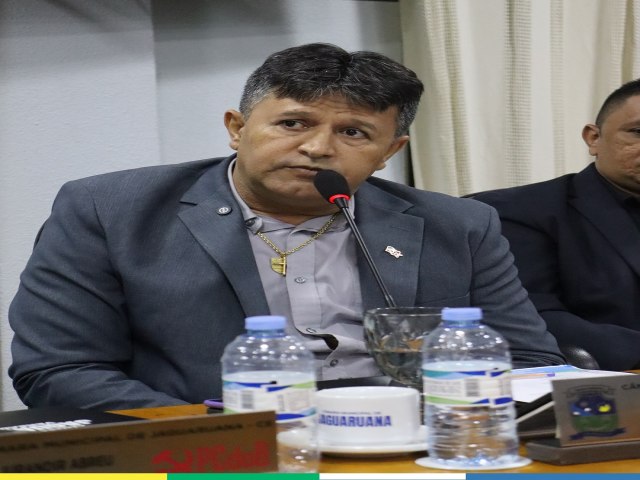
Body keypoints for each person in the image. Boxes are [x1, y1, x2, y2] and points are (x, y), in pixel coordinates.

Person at [9, 43, 564, 410]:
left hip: (411, 446)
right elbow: (60, 370)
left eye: (353, 133)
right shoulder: (111, 210)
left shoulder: (459, 225)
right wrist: (218, 434)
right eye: (293, 123)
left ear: (389, 153)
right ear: (237, 127)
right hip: (213, 450)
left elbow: (530, 362)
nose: (318, 147)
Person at [474, 79, 640, 371]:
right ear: (593, 138)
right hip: (606, 381)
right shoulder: (521, 211)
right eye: (637, 132)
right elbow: (534, 317)